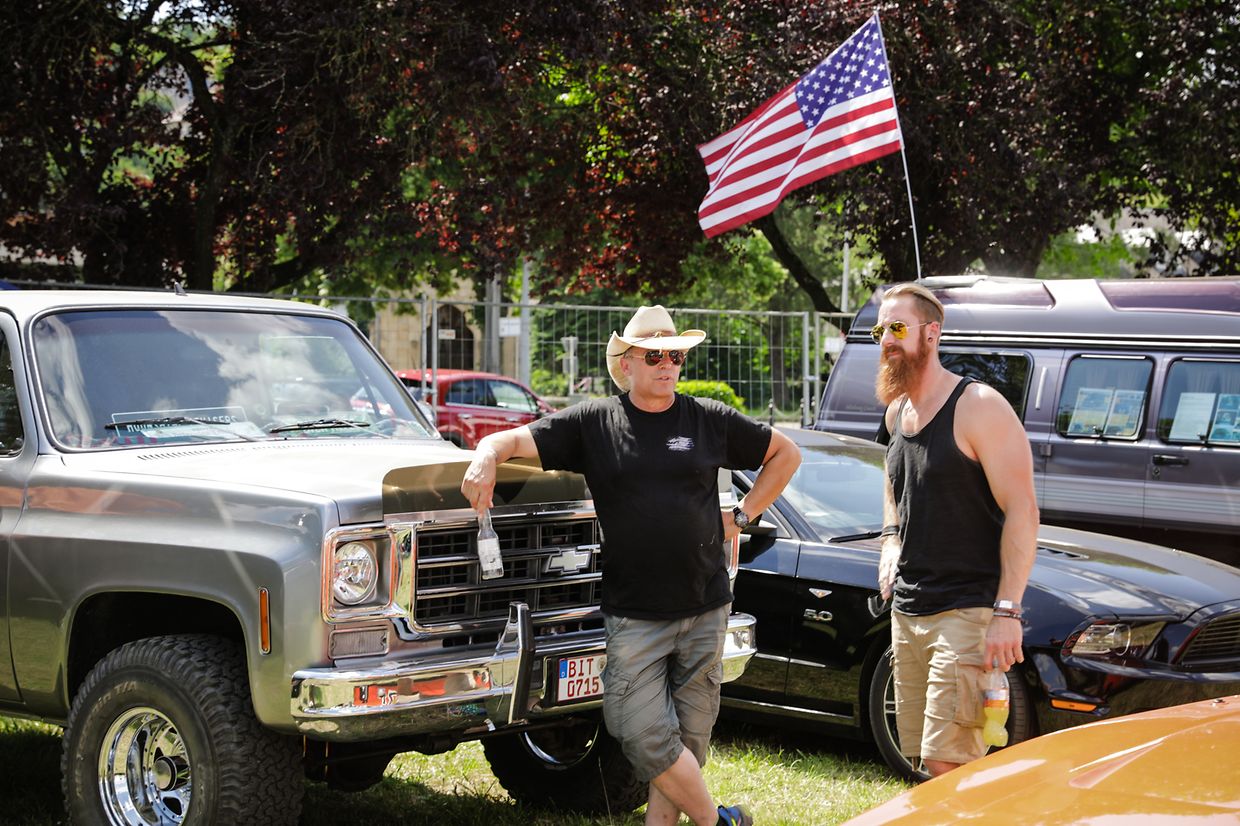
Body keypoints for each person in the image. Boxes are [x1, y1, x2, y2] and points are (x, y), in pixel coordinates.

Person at [461, 305, 800, 826]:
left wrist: (743, 514)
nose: (667, 365)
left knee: (688, 739)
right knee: (638, 730)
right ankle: (719, 822)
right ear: (627, 363)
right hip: (636, 616)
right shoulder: (595, 422)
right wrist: (486, 456)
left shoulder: (708, 419)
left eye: (675, 356)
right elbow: (513, 440)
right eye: (654, 355)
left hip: (705, 606)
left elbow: (786, 454)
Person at [873, 282, 1039, 778]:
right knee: (922, 758)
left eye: (897, 328)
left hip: (968, 610)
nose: (887, 340)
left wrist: (1007, 611)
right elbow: (892, 479)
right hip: (909, 611)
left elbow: (1023, 510)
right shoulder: (896, 413)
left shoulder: (978, 406)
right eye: (880, 331)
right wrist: (890, 539)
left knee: (950, 761)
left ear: (932, 332)